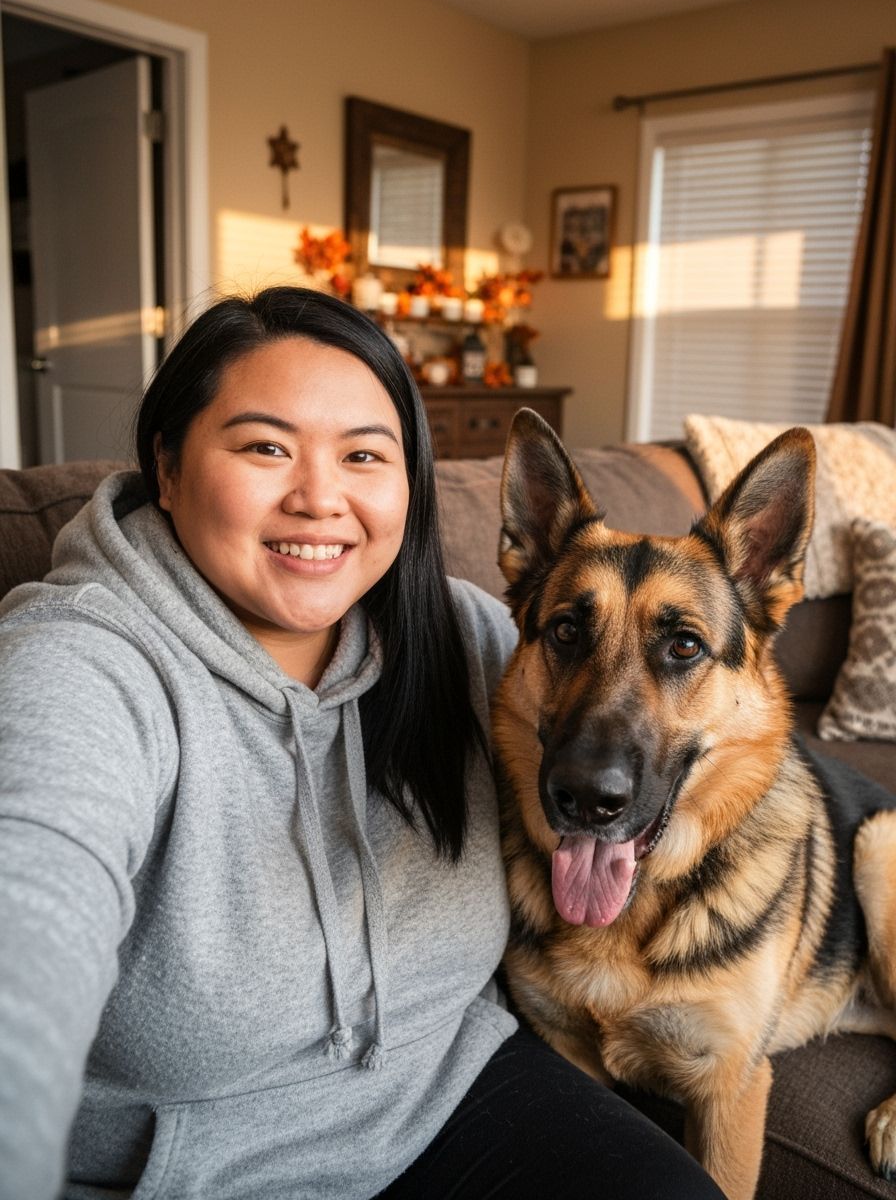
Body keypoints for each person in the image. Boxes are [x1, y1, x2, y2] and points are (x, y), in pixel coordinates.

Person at [0, 287, 723, 1199]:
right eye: (265, 447)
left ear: (409, 482)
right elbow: (27, 917)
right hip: (199, 1172)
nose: (319, 498)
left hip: (455, 1091)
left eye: (363, 456)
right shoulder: (79, 664)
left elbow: (720, 747)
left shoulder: (476, 641)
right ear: (169, 466)